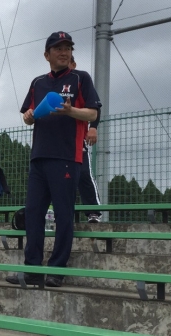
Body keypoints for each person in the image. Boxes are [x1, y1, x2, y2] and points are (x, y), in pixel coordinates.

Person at [7, 32, 100, 288]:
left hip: (67, 156)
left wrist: (71, 111)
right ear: (47, 55)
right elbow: (28, 115)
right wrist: (28, 116)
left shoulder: (80, 78)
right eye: (58, 48)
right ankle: (32, 269)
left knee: (63, 214)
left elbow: (92, 113)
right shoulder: (38, 82)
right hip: (39, 156)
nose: (63, 52)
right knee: (33, 214)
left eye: (67, 48)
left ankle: (57, 269)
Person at [70, 56, 102, 223]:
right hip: (57, 142)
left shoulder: (81, 80)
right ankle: (60, 214)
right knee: (57, 179)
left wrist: (93, 127)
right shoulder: (51, 83)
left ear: (73, 64)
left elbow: (95, 106)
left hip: (78, 139)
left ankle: (93, 212)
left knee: (83, 175)